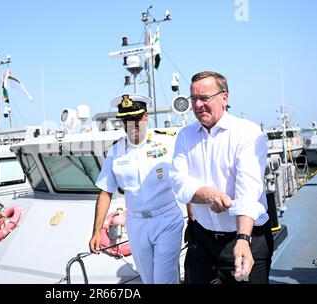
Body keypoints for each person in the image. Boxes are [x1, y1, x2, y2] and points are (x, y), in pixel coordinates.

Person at [169, 71, 274, 284]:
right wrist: (208, 195)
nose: (198, 105)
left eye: (204, 98)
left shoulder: (247, 133)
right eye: (194, 99)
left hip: (247, 237)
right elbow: (178, 182)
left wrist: (243, 239)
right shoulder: (185, 136)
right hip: (203, 240)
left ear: (224, 97)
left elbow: (248, 191)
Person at [89, 93, 184, 284]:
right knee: (149, 281)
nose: (131, 125)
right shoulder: (115, 151)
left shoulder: (168, 143)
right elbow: (106, 191)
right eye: (125, 120)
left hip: (167, 219)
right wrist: (96, 231)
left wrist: (194, 217)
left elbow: (184, 181)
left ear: (146, 116)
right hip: (136, 223)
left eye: (135, 118)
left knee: (164, 280)